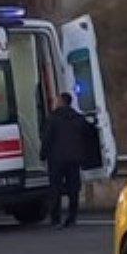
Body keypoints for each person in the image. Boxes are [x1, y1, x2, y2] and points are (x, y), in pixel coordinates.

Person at [41, 93, 91, 229]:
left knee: (55, 189)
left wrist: (42, 155)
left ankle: (56, 219)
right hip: (74, 158)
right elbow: (87, 136)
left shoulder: (53, 119)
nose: (54, 102)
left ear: (61, 102)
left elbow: (47, 139)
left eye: (56, 100)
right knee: (73, 189)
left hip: (56, 159)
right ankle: (72, 217)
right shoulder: (79, 118)